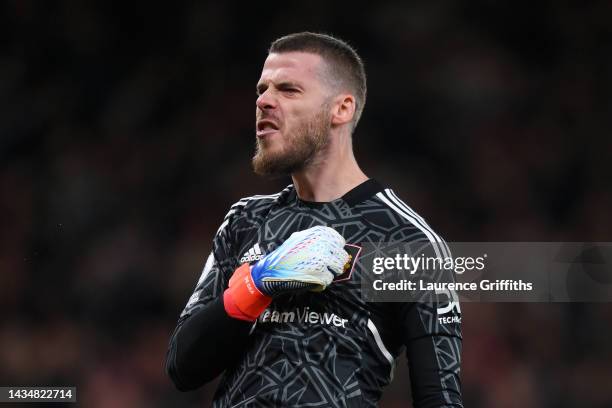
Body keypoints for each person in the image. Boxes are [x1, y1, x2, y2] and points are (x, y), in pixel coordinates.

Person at [165, 32, 463, 407]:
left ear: (342, 109)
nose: (264, 101)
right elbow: (182, 367)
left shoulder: (409, 242)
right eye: (262, 89)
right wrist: (256, 284)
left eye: (288, 90)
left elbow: (441, 400)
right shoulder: (245, 220)